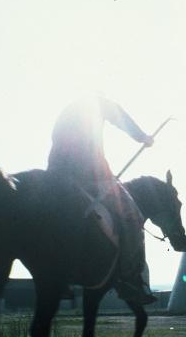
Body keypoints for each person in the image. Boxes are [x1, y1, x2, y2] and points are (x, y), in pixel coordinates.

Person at [47, 96, 156, 304]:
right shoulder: (97, 103)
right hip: (92, 175)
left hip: (57, 176)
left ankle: (57, 276)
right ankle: (130, 280)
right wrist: (143, 137)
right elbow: (120, 117)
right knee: (133, 216)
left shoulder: (67, 109)